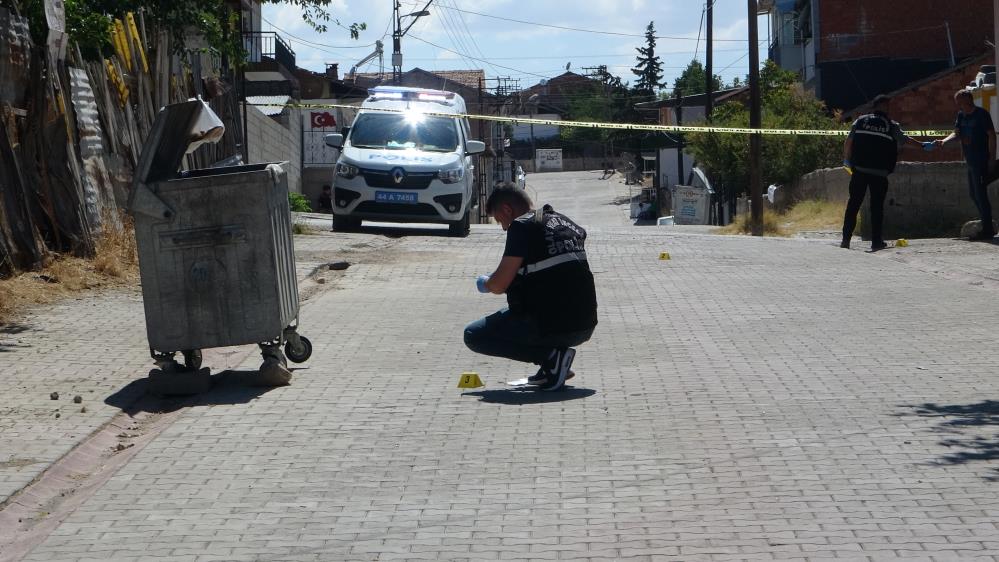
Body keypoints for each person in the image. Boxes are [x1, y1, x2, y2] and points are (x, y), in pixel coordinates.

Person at [464, 185, 598, 391]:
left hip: (553, 326)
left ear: (508, 210)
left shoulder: (521, 226)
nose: (503, 227)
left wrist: (486, 283)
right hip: (585, 325)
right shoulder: (567, 223)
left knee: (474, 335)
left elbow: (499, 285)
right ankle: (552, 366)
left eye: (500, 220)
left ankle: (551, 358)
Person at [841, 94, 928, 250]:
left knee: (853, 204)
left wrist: (847, 160)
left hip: (859, 170)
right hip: (879, 173)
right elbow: (905, 140)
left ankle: (845, 240)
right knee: (877, 208)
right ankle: (876, 242)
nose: (888, 108)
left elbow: (848, 142)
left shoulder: (861, 121)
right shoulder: (891, 125)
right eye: (887, 105)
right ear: (884, 107)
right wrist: (922, 146)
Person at [934, 90, 997, 240]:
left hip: (981, 159)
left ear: (968, 100)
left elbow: (992, 136)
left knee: (980, 194)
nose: (958, 105)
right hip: (970, 160)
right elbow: (956, 133)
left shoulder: (981, 114)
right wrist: (944, 141)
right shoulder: (961, 116)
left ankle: (987, 229)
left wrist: (992, 159)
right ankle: (987, 224)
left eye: (960, 101)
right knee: (973, 194)